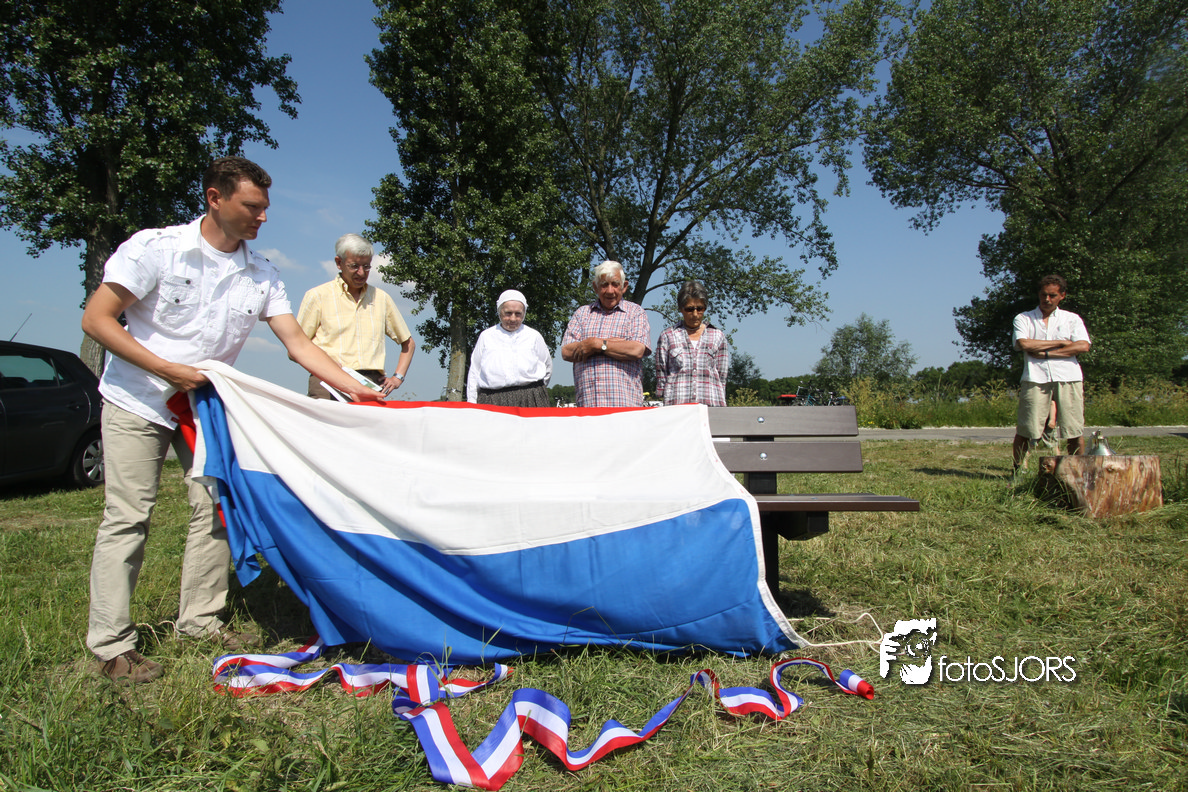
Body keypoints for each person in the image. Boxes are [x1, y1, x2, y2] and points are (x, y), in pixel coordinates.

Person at [80, 156, 383, 684]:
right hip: (138, 400)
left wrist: (356, 388)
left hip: (205, 408)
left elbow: (297, 344)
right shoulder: (155, 249)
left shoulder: (262, 273)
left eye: (265, 208)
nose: (263, 217)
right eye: (252, 206)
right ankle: (112, 643)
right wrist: (166, 370)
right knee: (129, 515)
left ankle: (199, 620)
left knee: (217, 510)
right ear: (215, 198)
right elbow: (96, 319)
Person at [296, 233, 415, 399]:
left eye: (366, 266)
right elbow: (296, 348)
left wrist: (397, 378)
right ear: (339, 263)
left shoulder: (381, 298)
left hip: (370, 383)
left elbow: (408, 343)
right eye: (354, 266)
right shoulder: (317, 296)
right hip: (327, 383)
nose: (361, 272)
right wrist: (323, 364)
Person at [1011, 274, 1091, 470]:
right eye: (1043, 295)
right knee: (1026, 428)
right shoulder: (1024, 318)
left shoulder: (1072, 319)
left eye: (1052, 295)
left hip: (1069, 377)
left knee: (1074, 429)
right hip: (1035, 377)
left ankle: (1077, 470)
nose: (1047, 299)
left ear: (1062, 296)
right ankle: (1018, 470)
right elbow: (1024, 343)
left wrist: (1047, 353)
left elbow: (1083, 346)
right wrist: (1062, 342)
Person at [560, 261, 652, 407]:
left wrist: (596, 345)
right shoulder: (581, 314)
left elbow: (636, 349)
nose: (610, 291)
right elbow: (566, 351)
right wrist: (617, 344)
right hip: (589, 406)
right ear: (595, 287)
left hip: (625, 407)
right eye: (604, 285)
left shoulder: (636, 312)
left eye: (615, 284)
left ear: (624, 286)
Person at [466, 289, 552, 407]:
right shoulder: (486, 336)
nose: (513, 319)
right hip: (493, 399)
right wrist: (471, 403)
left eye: (518, 314)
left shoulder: (534, 336)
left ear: (524, 313)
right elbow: (475, 372)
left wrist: (534, 393)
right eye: (508, 313)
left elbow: (547, 367)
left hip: (531, 398)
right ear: (499, 312)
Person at [653, 280, 729, 406]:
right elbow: (661, 374)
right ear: (680, 308)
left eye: (700, 308)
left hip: (711, 405)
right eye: (689, 309)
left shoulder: (718, 336)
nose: (695, 314)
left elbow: (722, 376)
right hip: (677, 406)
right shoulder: (667, 336)